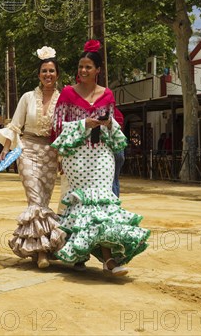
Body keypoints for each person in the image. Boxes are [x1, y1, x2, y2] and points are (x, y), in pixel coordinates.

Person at [51, 39, 150, 276]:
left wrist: (108, 123)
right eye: (80, 67)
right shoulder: (67, 93)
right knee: (83, 205)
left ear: (98, 70)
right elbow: (57, 125)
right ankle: (81, 253)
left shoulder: (107, 94)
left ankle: (109, 260)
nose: (83, 71)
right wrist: (83, 123)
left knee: (103, 204)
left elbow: (115, 125)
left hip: (102, 155)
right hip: (77, 156)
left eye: (88, 67)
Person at [0, 45, 65, 269]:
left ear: (57, 75)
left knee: (43, 200)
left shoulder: (63, 99)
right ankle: (42, 251)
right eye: (44, 71)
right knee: (34, 199)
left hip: (51, 152)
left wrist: (63, 156)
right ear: (38, 75)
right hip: (28, 149)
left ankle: (40, 247)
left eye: (51, 71)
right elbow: (15, 126)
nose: (48, 75)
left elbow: (65, 131)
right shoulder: (26, 97)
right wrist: (6, 149)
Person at [112, 108, 125, 197]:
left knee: (110, 179)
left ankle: (113, 202)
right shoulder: (119, 113)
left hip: (112, 146)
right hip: (120, 146)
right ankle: (116, 199)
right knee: (115, 178)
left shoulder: (106, 112)